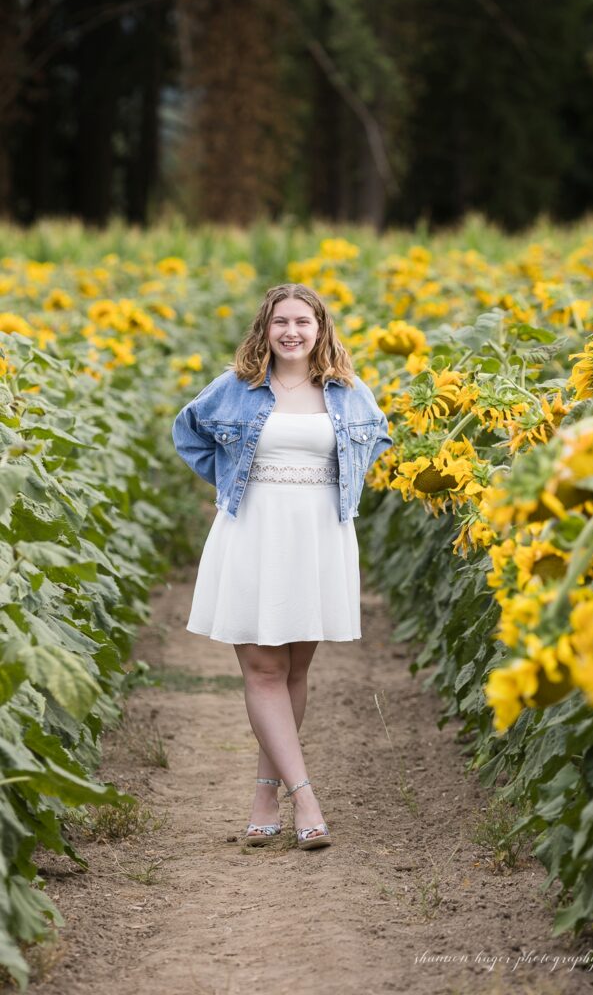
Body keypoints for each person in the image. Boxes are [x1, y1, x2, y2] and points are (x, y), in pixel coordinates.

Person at [171, 282, 392, 850]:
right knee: (264, 669)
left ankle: (264, 795)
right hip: (253, 530)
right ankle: (306, 798)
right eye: (280, 322)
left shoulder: (346, 391)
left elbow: (377, 439)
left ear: (321, 330)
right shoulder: (239, 387)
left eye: (303, 322)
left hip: (319, 535)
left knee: (294, 670)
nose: (291, 332)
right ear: (264, 329)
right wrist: (231, 479)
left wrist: (334, 492)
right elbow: (188, 430)